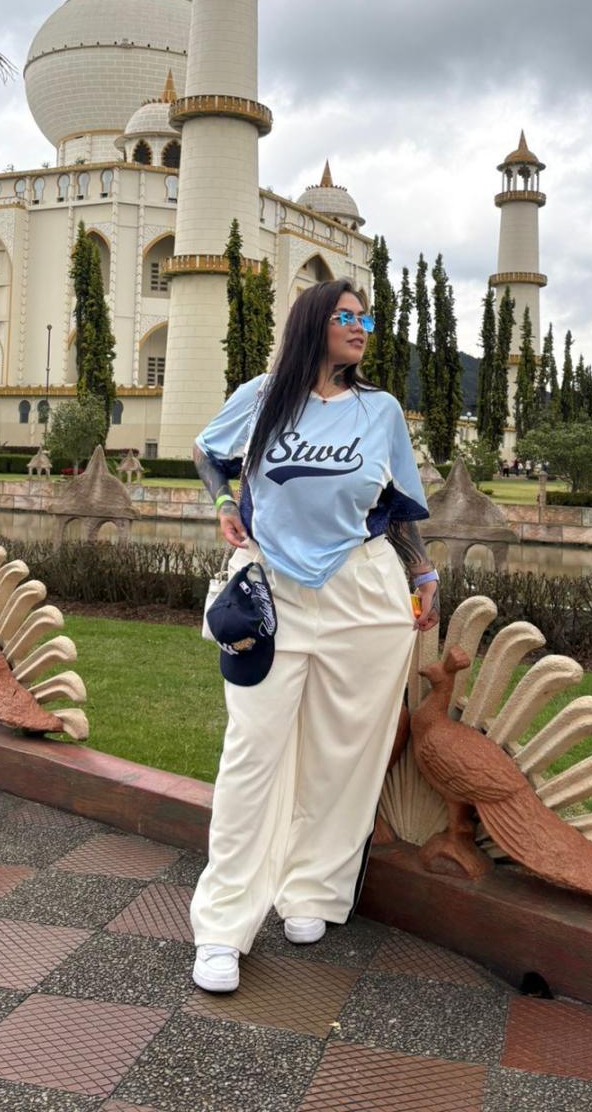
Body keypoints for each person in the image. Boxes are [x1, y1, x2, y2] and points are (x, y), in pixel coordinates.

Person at [189, 279, 438, 993]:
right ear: (312, 324)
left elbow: (395, 503)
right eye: (345, 316)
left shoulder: (379, 410)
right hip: (271, 591)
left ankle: (311, 890)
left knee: (344, 750)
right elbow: (208, 452)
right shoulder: (263, 396)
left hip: (363, 591)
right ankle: (223, 926)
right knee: (252, 753)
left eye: (367, 318)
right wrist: (223, 503)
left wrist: (422, 571)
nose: (361, 328)